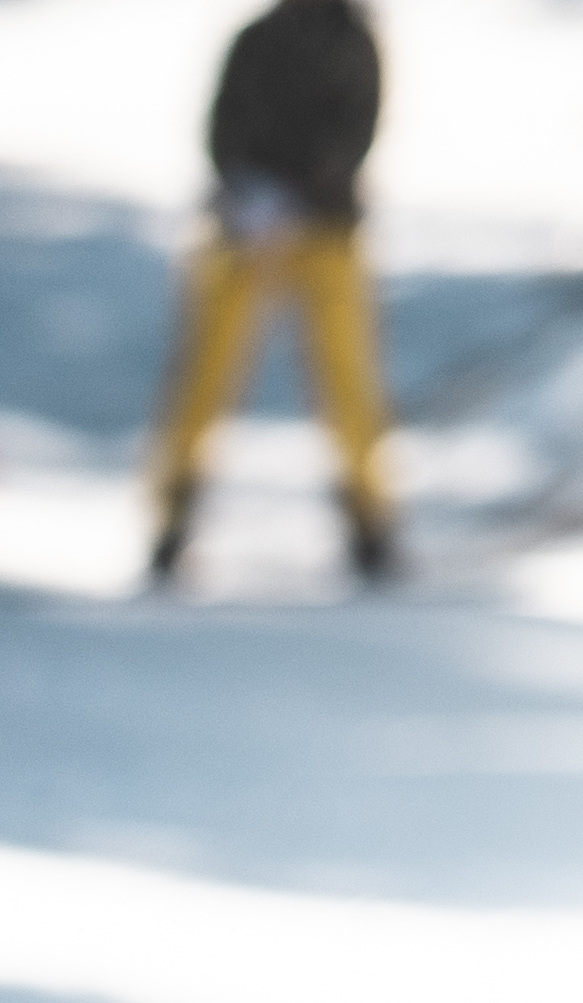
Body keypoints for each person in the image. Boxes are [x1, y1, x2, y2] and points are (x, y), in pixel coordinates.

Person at [150, 0, 399, 589]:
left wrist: (308, 194)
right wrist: (247, 190)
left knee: (347, 379)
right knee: (203, 375)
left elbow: (357, 132)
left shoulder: (354, 40)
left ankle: (370, 524)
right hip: (244, 226)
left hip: (327, 229)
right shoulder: (257, 37)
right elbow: (221, 129)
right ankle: (171, 521)